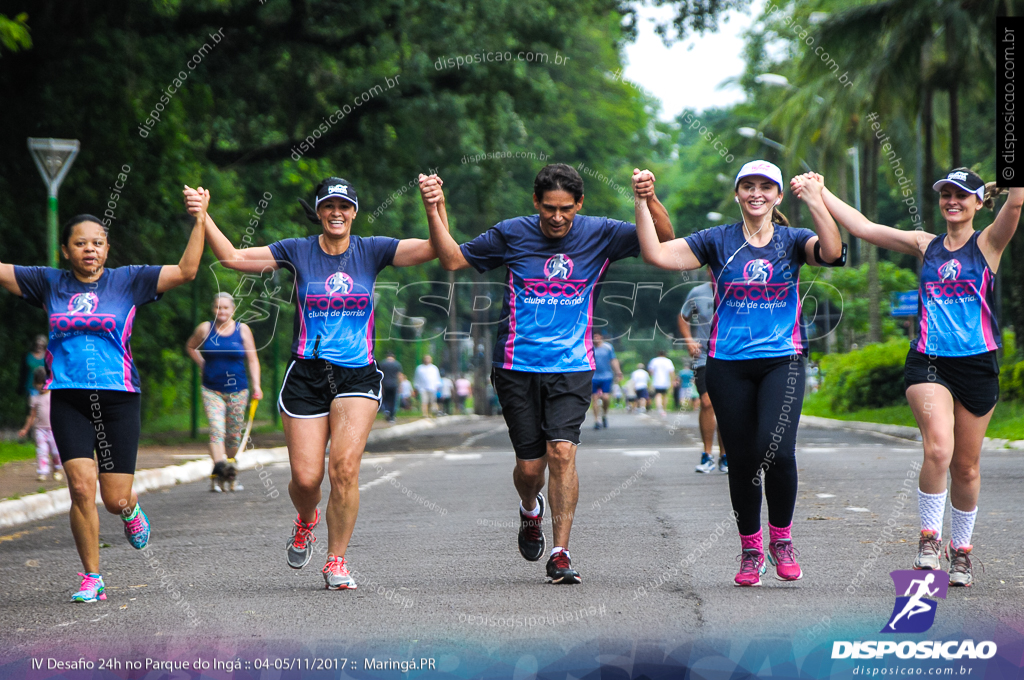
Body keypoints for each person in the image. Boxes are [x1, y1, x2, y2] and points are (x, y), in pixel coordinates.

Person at [420, 163, 674, 584]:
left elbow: (663, 240)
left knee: (562, 453)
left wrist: (647, 198)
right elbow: (451, 259)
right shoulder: (511, 233)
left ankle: (561, 552)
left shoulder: (602, 233)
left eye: (567, 209)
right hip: (516, 366)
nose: (558, 218)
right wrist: (436, 206)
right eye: (549, 208)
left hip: (572, 366)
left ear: (579, 205)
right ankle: (529, 509)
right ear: (536, 202)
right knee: (530, 469)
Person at [188, 176, 437, 590]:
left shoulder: (372, 249)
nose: (336, 213)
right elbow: (232, 258)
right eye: (328, 206)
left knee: (343, 468)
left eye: (344, 206)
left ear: (354, 212)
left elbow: (434, 249)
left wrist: (433, 205)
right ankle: (306, 520)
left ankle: (336, 560)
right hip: (306, 373)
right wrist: (203, 215)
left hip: (356, 373)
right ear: (319, 212)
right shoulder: (297, 251)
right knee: (306, 480)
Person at [633, 160, 845, 587]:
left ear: (779, 196)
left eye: (766, 187)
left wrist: (818, 200)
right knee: (744, 459)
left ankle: (781, 540)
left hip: (781, 360)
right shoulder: (716, 240)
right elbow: (657, 253)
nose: (756, 193)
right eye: (747, 186)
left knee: (779, 451)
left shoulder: (793, 240)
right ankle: (751, 548)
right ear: (737, 194)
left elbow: (833, 252)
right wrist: (642, 201)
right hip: (727, 364)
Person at [811, 167, 1021, 587]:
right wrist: (822, 192)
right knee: (939, 449)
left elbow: (1016, 200)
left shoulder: (989, 243)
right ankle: (929, 538)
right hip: (929, 362)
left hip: (978, 365)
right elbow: (865, 228)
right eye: (945, 194)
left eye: (961, 195)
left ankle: (960, 552)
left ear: (979, 203)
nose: (952, 201)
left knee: (966, 467)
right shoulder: (926, 245)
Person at [0, 202, 206, 602]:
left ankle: (129, 510)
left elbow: (186, 271)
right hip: (68, 398)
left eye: (97, 243)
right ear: (66, 250)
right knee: (80, 487)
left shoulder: (129, 281)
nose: (89, 250)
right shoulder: (47, 282)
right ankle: (92, 577)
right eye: (80, 244)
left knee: (114, 498)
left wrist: (200, 219)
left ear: (107, 249)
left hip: (118, 398)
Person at [186, 292, 263, 492]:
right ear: (213, 309)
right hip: (212, 389)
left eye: (226, 308)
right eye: (218, 307)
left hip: (238, 389)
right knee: (216, 429)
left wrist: (257, 386)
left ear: (233, 310)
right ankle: (220, 471)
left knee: (233, 435)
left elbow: (253, 359)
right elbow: (191, 347)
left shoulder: (242, 330)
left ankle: (230, 472)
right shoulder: (205, 328)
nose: (222, 312)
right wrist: (202, 363)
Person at [680, 280, 727, 474]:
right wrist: (689, 340)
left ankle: (725, 456)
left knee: (726, 407)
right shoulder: (698, 292)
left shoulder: (738, 288)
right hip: (704, 357)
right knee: (707, 402)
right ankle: (707, 455)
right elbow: (683, 317)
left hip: (730, 354)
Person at [19, 366, 63, 482]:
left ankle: (57, 469)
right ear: (35, 384)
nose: (42, 386)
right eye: (39, 383)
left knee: (56, 452)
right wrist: (25, 429)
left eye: (44, 383)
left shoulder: (54, 396)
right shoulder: (34, 399)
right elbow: (31, 415)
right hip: (40, 429)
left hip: (53, 428)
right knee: (42, 451)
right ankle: (42, 471)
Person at [590, 331, 622, 430]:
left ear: (601, 337)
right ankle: (596, 420)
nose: (596, 338)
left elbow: (613, 360)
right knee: (594, 398)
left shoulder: (607, 347)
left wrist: (618, 372)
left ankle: (604, 414)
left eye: (597, 336)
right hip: (593, 376)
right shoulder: (590, 348)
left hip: (606, 376)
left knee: (606, 397)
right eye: (594, 336)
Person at [18, 334, 48, 399]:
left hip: (43, 388)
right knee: (31, 407)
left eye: (41, 345)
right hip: (29, 387)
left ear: (44, 346)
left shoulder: (47, 357)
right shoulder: (27, 355)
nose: (39, 347)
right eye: (37, 344)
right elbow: (22, 372)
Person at [647, 350, 675, 417]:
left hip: (657, 380)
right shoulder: (668, 361)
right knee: (665, 395)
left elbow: (651, 371)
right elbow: (671, 371)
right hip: (666, 381)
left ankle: (659, 408)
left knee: (658, 394)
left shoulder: (654, 360)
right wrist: (673, 380)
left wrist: (652, 377)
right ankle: (664, 409)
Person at [379, 351, 403, 422]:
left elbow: (379, 375)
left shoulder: (382, 363)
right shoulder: (397, 364)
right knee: (394, 400)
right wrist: (400, 385)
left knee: (385, 399)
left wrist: (380, 385)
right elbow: (399, 375)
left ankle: (386, 410)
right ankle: (392, 416)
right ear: (393, 357)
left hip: (385, 384)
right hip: (394, 384)